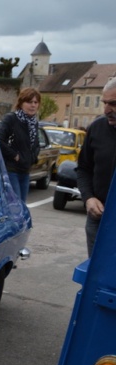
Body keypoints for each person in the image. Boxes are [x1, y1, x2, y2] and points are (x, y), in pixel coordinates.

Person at [77, 78, 116, 256]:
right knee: (96, 274)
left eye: (113, 104)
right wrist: (88, 198)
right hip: (98, 219)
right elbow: (83, 168)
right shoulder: (96, 128)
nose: (107, 110)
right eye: (105, 103)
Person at [0, 88, 41, 202]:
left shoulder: (34, 123)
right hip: (11, 169)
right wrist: (15, 155)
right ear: (21, 103)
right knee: (15, 203)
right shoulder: (11, 119)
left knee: (22, 205)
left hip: (25, 171)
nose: (33, 105)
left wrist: (33, 158)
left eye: (35, 102)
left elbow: (36, 144)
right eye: (29, 102)